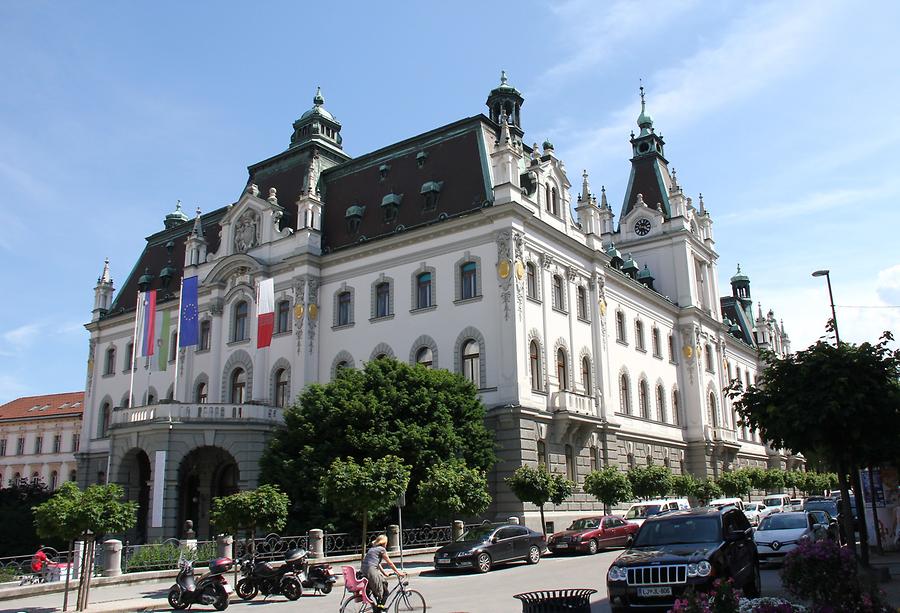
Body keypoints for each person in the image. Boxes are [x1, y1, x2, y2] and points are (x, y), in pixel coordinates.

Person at [360, 534, 404, 611]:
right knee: (385, 592)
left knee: (379, 588)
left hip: (364, 571)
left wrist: (384, 573)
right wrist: (398, 572)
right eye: (386, 542)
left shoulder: (372, 549)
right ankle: (379, 608)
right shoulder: (381, 549)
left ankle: (378, 607)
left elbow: (377, 563)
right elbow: (389, 562)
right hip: (371, 572)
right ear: (384, 542)